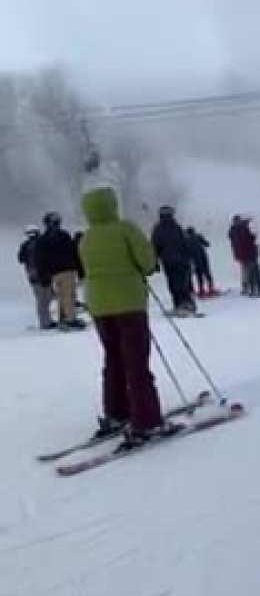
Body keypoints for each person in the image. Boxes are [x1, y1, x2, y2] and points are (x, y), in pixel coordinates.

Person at [79, 187, 168, 446]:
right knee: (136, 362)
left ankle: (117, 411)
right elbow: (147, 262)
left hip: (99, 306)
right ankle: (147, 420)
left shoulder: (86, 238)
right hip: (128, 303)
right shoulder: (124, 229)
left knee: (114, 358)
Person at [35, 212, 86, 330]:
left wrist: (43, 274)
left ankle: (64, 318)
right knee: (68, 295)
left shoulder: (43, 239)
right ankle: (70, 319)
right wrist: (81, 270)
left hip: (55, 272)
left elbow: (40, 259)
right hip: (67, 269)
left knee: (62, 295)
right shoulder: (64, 235)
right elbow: (74, 253)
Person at [151, 206, 196, 314]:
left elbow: (154, 246)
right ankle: (187, 303)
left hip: (169, 261)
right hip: (182, 260)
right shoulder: (176, 227)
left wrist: (154, 262)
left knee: (174, 283)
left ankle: (179, 304)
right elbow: (185, 243)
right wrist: (190, 257)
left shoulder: (158, 229)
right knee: (183, 282)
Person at [18, 225, 55, 329]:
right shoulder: (41, 243)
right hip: (42, 274)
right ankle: (45, 322)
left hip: (34, 275)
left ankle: (46, 321)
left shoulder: (25, 245)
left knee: (43, 299)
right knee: (45, 298)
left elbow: (21, 259)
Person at [186, 227, 216, 297]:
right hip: (203, 258)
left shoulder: (186, 240)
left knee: (199, 275)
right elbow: (207, 244)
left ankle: (201, 290)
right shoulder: (198, 236)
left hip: (195, 260)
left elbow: (186, 251)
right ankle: (211, 288)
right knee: (207, 273)